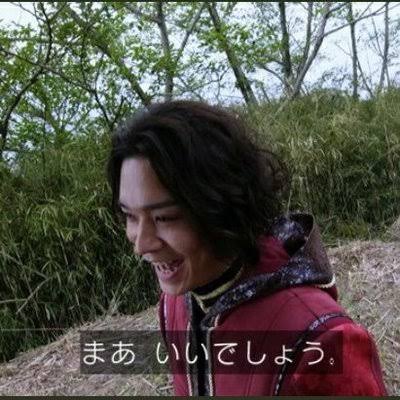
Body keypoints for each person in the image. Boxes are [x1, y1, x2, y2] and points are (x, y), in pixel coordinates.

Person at [107, 100, 387, 396]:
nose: (141, 244)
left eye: (164, 218)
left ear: (220, 205)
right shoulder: (176, 304)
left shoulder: (322, 342)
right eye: (130, 216)